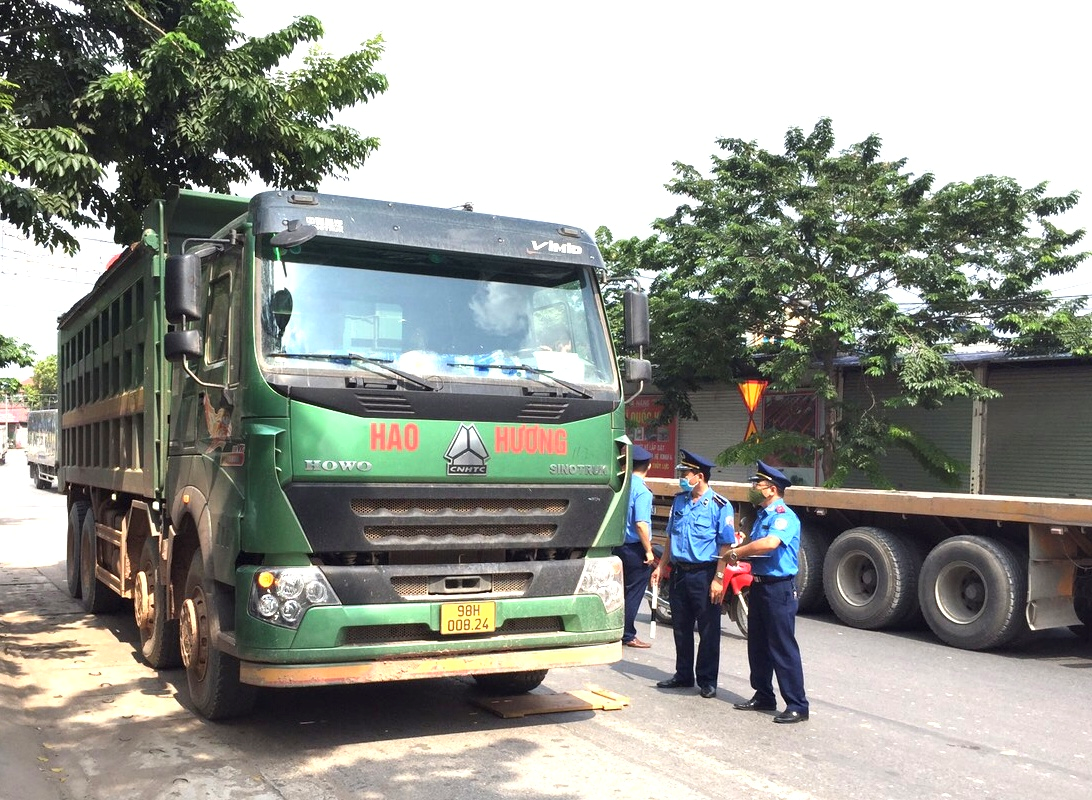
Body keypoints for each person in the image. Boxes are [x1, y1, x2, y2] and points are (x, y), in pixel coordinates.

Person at [724, 460, 810, 724]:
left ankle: (797, 704)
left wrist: (739, 552)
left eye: (757, 484)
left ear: (771, 489)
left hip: (778, 589)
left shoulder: (784, 515)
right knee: (757, 644)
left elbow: (771, 544)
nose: (753, 488)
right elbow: (756, 546)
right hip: (759, 586)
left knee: (782, 647)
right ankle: (763, 695)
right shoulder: (762, 515)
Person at [651, 449, 735, 698]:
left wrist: (718, 578)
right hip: (679, 572)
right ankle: (683, 673)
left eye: (685, 474)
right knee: (681, 626)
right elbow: (670, 536)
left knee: (708, 629)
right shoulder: (680, 501)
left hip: (704, 573)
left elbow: (725, 546)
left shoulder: (720, 506)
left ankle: (708, 680)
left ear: (699, 476)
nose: (682, 478)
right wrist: (660, 566)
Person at [614, 445, 656, 649]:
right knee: (633, 592)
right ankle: (627, 634)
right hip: (634, 549)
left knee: (618, 591)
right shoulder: (642, 491)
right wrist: (648, 550)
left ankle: (613, 629)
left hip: (617, 545)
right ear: (648, 466)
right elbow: (641, 524)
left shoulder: (621, 486)